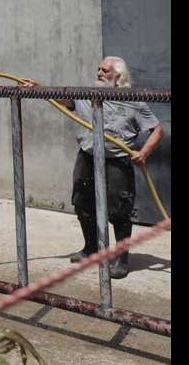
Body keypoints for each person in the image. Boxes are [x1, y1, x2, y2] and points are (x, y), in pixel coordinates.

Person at [23, 56, 164, 279]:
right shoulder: (87, 94)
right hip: (87, 156)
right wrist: (39, 87)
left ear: (118, 77)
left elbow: (157, 130)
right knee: (83, 204)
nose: (98, 73)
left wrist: (143, 153)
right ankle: (91, 248)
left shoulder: (133, 101)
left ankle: (120, 259)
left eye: (104, 70)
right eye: (98, 69)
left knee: (118, 210)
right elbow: (59, 98)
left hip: (117, 160)